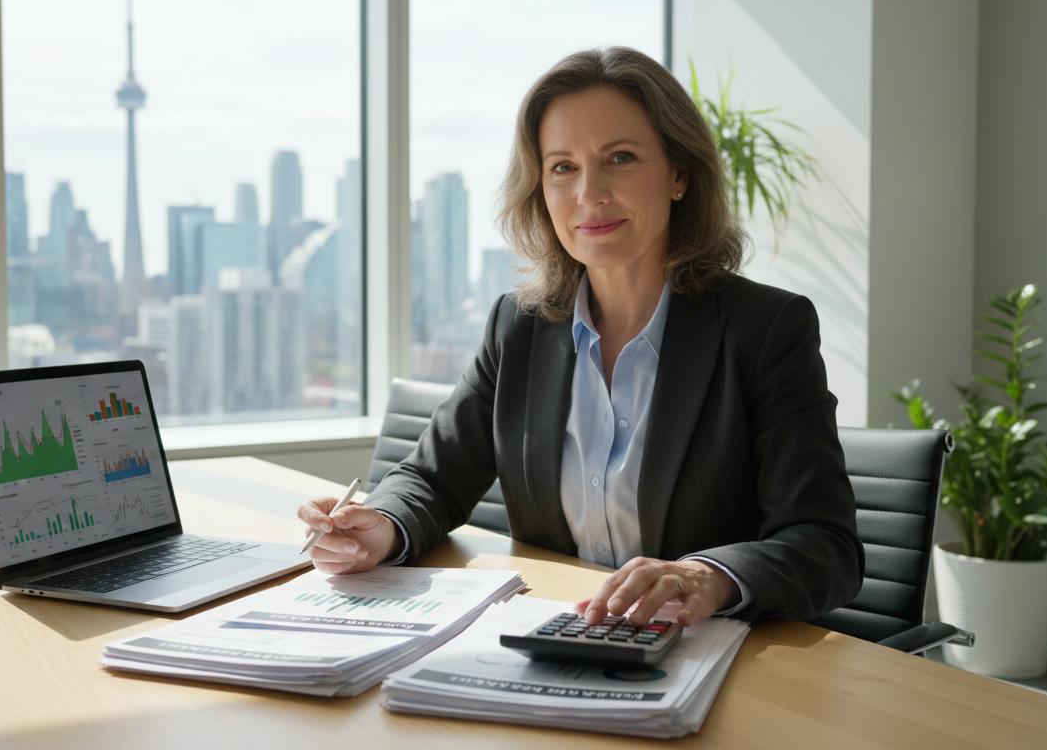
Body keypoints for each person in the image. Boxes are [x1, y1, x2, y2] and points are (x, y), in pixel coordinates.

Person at [297, 46, 863, 629]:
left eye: (620, 158)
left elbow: (826, 544)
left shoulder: (766, 329)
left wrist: (708, 576)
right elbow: (431, 478)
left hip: (711, 655)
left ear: (679, 175)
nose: (589, 193)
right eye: (562, 166)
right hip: (555, 638)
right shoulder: (519, 327)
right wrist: (381, 525)